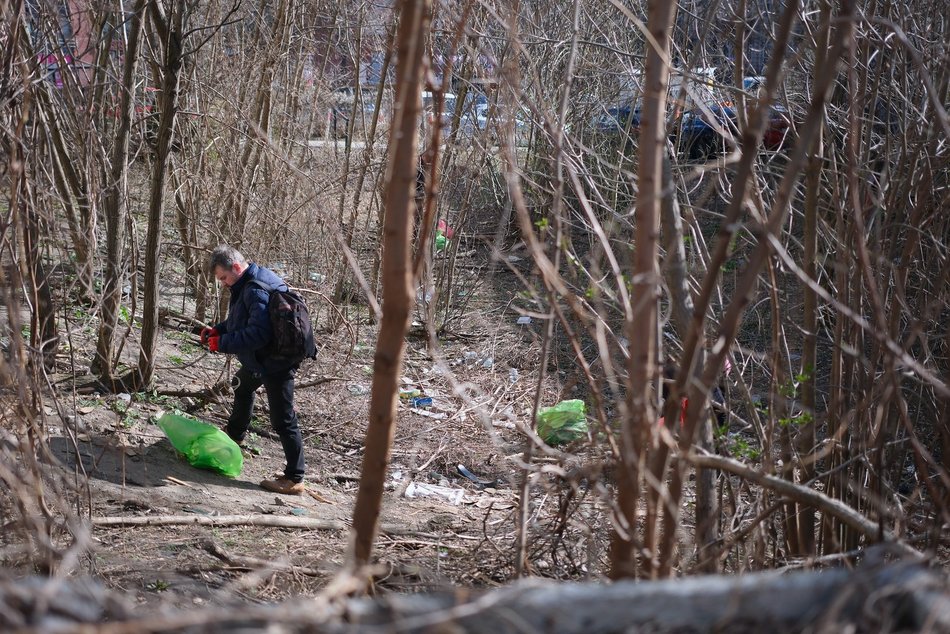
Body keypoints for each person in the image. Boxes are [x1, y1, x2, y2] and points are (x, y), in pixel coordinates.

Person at [201, 245, 306, 495]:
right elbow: (242, 320)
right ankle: (235, 437)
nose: (224, 284)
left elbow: (258, 334)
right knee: (242, 386)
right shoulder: (247, 281)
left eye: (224, 278)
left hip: (276, 361)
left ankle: (295, 478)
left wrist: (222, 343)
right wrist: (219, 330)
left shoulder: (255, 289)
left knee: (283, 419)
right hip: (261, 360)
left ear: (236, 267)